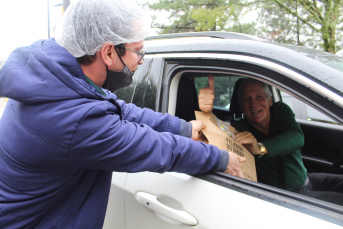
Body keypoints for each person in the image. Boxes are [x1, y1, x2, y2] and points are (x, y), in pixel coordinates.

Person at [0, 1, 245, 228]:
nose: (141, 60)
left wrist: (183, 128)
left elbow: (122, 110)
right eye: (138, 51)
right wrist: (221, 159)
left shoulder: (54, 80)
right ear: (108, 53)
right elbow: (155, 148)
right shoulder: (72, 120)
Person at [199, 75, 343, 205]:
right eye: (247, 99)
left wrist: (260, 148)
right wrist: (206, 113)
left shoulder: (280, 111)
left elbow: (296, 137)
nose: (253, 104)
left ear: (270, 100)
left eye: (259, 97)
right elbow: (216, 141)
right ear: (242, 106)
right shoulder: (239, 129)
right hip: (291, 196)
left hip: (307, 179)